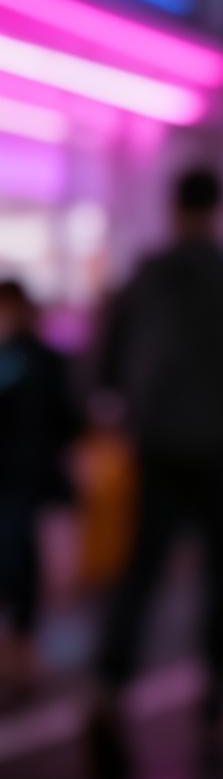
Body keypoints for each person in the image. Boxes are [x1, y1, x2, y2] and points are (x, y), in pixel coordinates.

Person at [87, 167, 223, 779]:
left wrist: (116, 411)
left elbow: (106, 362)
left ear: (172, 207)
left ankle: (110, 687)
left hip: (159, 445)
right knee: (221, 579)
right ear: (220, 210)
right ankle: (216, 709)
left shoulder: (148, 274)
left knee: (139, 573)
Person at [0, 279, 82, 702]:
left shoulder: (37, 360)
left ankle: (21, 650)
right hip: (19, 479)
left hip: (26, 480)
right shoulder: (29, 359)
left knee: (21, 565)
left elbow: (68, 417)